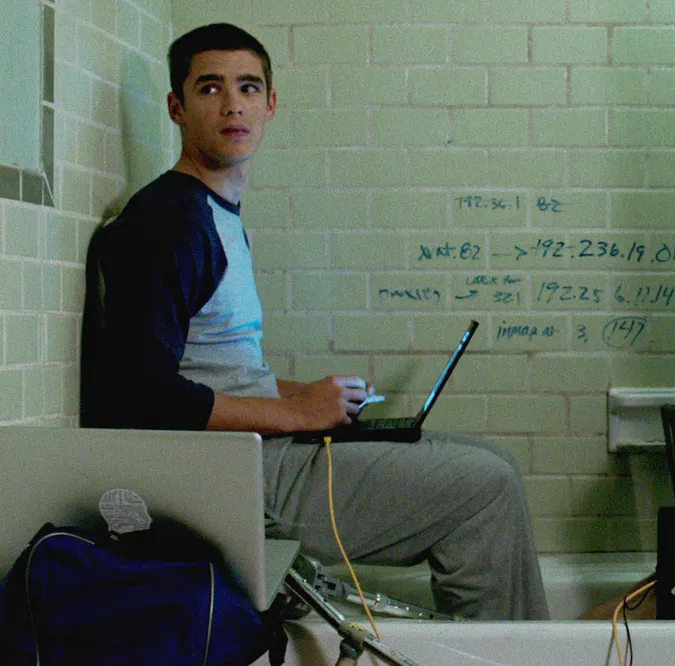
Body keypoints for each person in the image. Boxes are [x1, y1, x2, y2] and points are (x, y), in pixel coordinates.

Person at [80, 23, 548, 620]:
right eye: (210, 88)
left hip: (260, 452)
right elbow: (140, 397)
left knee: (495, 463)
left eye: (248, 87)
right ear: (177, 108)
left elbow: (212, 370)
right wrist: (297, 413)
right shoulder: (167, 221)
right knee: (486, 488)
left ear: (270, 104)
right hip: (239, 475)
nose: (232, 105)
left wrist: (305, 395)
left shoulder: (212, 213)